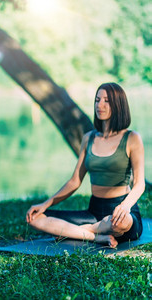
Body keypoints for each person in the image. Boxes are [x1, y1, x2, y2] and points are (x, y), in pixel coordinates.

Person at [26, 82, 145, 248]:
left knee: (120, 223)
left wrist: (124, 207)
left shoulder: (132, 138)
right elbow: (75, 181)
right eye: (97, 100)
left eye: (106, 101)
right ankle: (94, 236)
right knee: (35, 218)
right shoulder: (88, 138)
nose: (99, 105)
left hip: (120, 210)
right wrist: (46, 204)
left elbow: (139, 184)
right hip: (94, 211)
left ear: (118, 105)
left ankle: (80, 230)